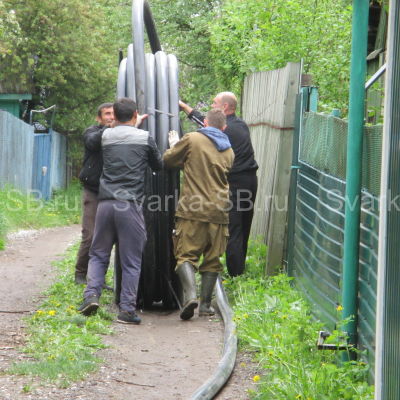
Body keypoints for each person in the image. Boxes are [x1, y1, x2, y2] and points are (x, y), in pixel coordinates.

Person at [78, 98, 162, 324]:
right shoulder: (145, 138)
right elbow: (158, 165)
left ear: (113, 115)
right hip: (129, 205)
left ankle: (91, 296)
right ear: (136, 115)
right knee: (131, 259)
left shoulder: (104, 136)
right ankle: (126, 310)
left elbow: (91, 141)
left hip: (104, 203)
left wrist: (114, 126)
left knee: (98, 254)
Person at [163, 109, 234, 320]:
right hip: (220, 211)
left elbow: (169, 160)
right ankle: (205, 306)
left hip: (193, 209)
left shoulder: (193, 138)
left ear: (204, 122)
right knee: (213, 259)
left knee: (186, 255)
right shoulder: (229, 150)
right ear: (224, 128)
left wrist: (175, 145)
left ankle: (190, 297)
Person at [179, 92, 258, 277]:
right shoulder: (240, 124)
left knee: (234, 229)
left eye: (214, 102)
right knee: (243, 227)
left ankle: (235, 275)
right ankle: (238, 270)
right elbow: (206, 122)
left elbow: (206, 126)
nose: (211, 105)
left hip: (237, 184)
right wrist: (185, 107)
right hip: (250, 181)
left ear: (224, 108)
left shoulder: (227, 129)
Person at [75, 103, 114, 285]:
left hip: (112, 192)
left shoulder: (120, 135)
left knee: (106, 237)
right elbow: (92, 143)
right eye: (107, 114)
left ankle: (99, 277)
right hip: (92, 190)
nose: (111, 117)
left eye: (114, 114)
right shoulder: (92, 132)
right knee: (90, 235)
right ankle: (80, 273)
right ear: (99, 118)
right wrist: (107, 128)